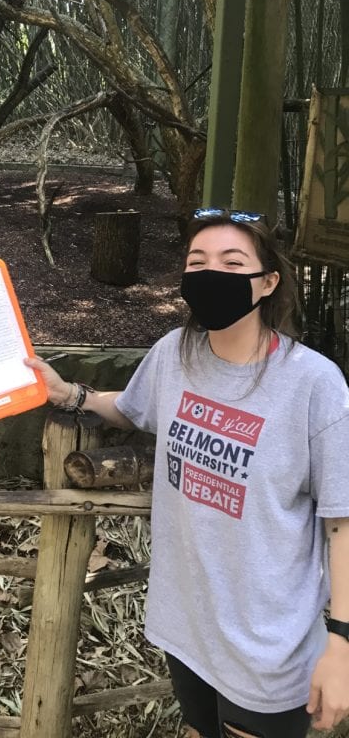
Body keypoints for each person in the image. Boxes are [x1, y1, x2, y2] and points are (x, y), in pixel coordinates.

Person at [26, 207, 349, 738]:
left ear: (268, 282)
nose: (209, 274)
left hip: (267, 643)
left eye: (231, 261)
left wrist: (340, 641)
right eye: (196, 263)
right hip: (186, 623)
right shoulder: (174, 354)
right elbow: (131, 407)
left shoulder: (314, 384)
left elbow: (341, 522)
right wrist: (72, 394)